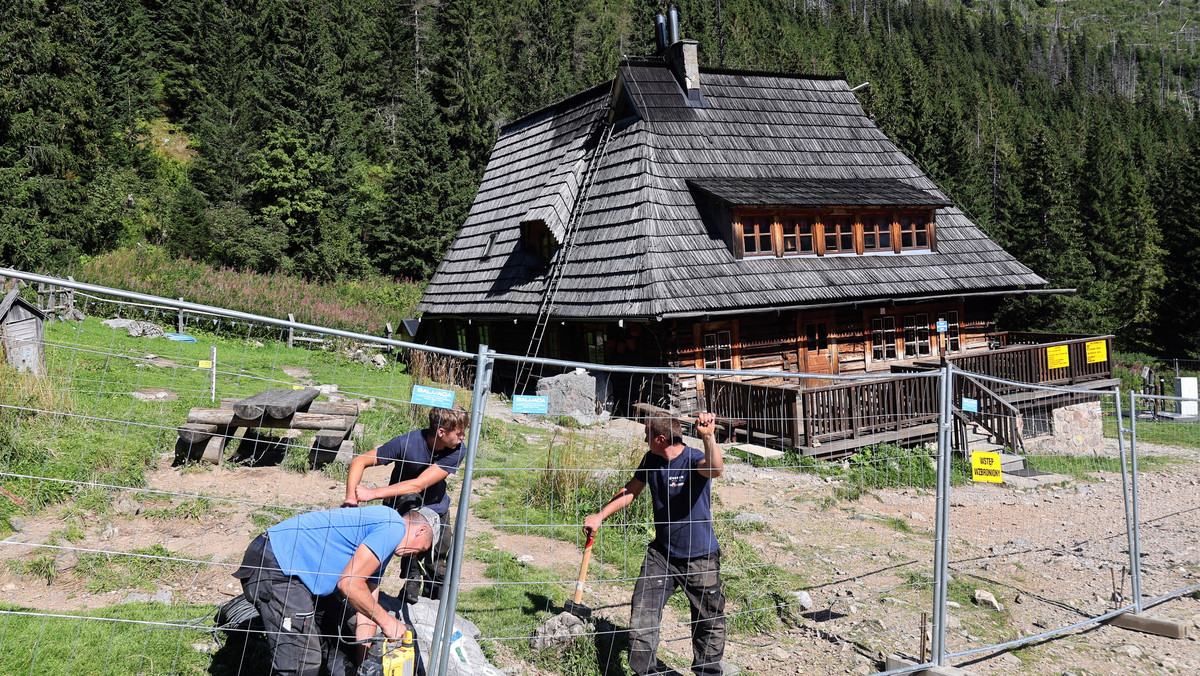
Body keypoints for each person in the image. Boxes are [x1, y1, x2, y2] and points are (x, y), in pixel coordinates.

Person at [584, 412, 726, 676]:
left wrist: (708, 438)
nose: (643, 438)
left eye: (646, 434)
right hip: (662, 554)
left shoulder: (693, 459)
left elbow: (715, 469)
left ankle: (708, 673)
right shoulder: (651, 459)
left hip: (700, 557)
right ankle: (646, 672)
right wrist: (600, 516)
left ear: (661, 439)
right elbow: (631, 490)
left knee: (709, 620)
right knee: (642, 613)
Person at [232, 505, 440, 676]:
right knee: (302, 661)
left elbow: (365, 614)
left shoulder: (382, 553)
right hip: (276, 565)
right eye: (421, 549)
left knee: (346, 638)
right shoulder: (393, 525)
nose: (414, 556)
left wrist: (363, 664)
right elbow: (349, 584)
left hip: (302, 577)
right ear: (421, 530)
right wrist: (388, 622)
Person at [341, 405, 469, 597]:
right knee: (408, 556)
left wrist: (372, 493)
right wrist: (351, 497)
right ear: (441, 432)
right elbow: (360, 461)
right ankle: (409, 587)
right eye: (459, 433)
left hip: (436, 506)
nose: (463, 437)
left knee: (438, 561)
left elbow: (418, 484)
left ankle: (435, 602)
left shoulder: (458, 449)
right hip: (404, 506)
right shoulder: (407, 442)